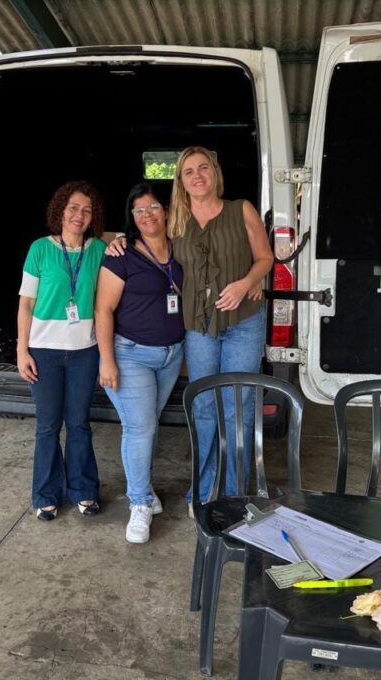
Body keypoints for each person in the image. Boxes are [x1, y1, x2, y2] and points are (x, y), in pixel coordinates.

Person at [108, 147, 274, 510]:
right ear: (180, 181)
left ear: (215, 172)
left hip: (243, 320)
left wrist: (246, 282)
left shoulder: (241, 209)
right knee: (202, 405)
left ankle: (231, 490)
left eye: (203, 168)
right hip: (198, 326)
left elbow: (266, 258)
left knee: (238, 404)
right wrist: (118, 240)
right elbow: (144, 229)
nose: (197, 176)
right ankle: (202, 487)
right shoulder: (175, 221)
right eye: (188, 172)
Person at [95, 184, 185, 543]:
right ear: (131, 218)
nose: (147, 215)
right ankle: (139, 503)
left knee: (149, 424)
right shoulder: (121, 254)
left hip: (170, 355)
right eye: (138, 210)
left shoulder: (181, 248)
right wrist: (107, 360)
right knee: (140, 428)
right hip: (130, 353)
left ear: (165, 211)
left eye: (152, 207)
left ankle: (144, 490)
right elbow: (103, 309)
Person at [17, 181, 107, 521]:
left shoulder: (98, 249)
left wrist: (122, 241)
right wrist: (22, 351)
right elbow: (25, 305)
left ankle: (84, 490)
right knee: (48, 426)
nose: (78, 215)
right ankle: (45, 494)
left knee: (80, 423)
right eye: (73, 208)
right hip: (44, 351)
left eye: (86, 210)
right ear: (61, 211)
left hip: (85, 351)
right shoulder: (40, 248)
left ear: (92, 217)